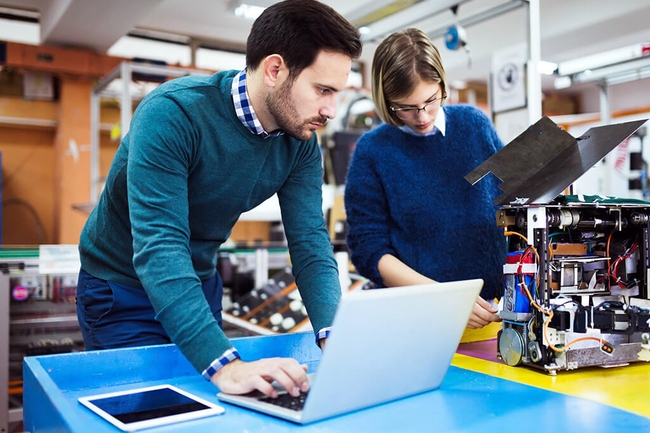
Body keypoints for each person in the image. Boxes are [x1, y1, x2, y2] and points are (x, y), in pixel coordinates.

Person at [76, 0, 362, 399]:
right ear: (275, 70)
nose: (331, 109)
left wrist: (334, 338)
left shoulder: (299, 144)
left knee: (211, 408)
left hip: (197, 285)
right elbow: (160, 247)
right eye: (323, 90)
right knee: (146, 412)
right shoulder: (174, 115)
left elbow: (311, 245)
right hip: (122, 289)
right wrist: (226, 367)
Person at [344, 28, 505, 329]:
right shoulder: (373, 151)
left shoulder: (475, 125)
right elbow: (369, 249)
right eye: (405, 107)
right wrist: (444, 297)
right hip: (417, 321)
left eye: (431, 100)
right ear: (385, 99)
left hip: (494, 317)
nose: (422, 116)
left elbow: (515, 203)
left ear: (442, 84)